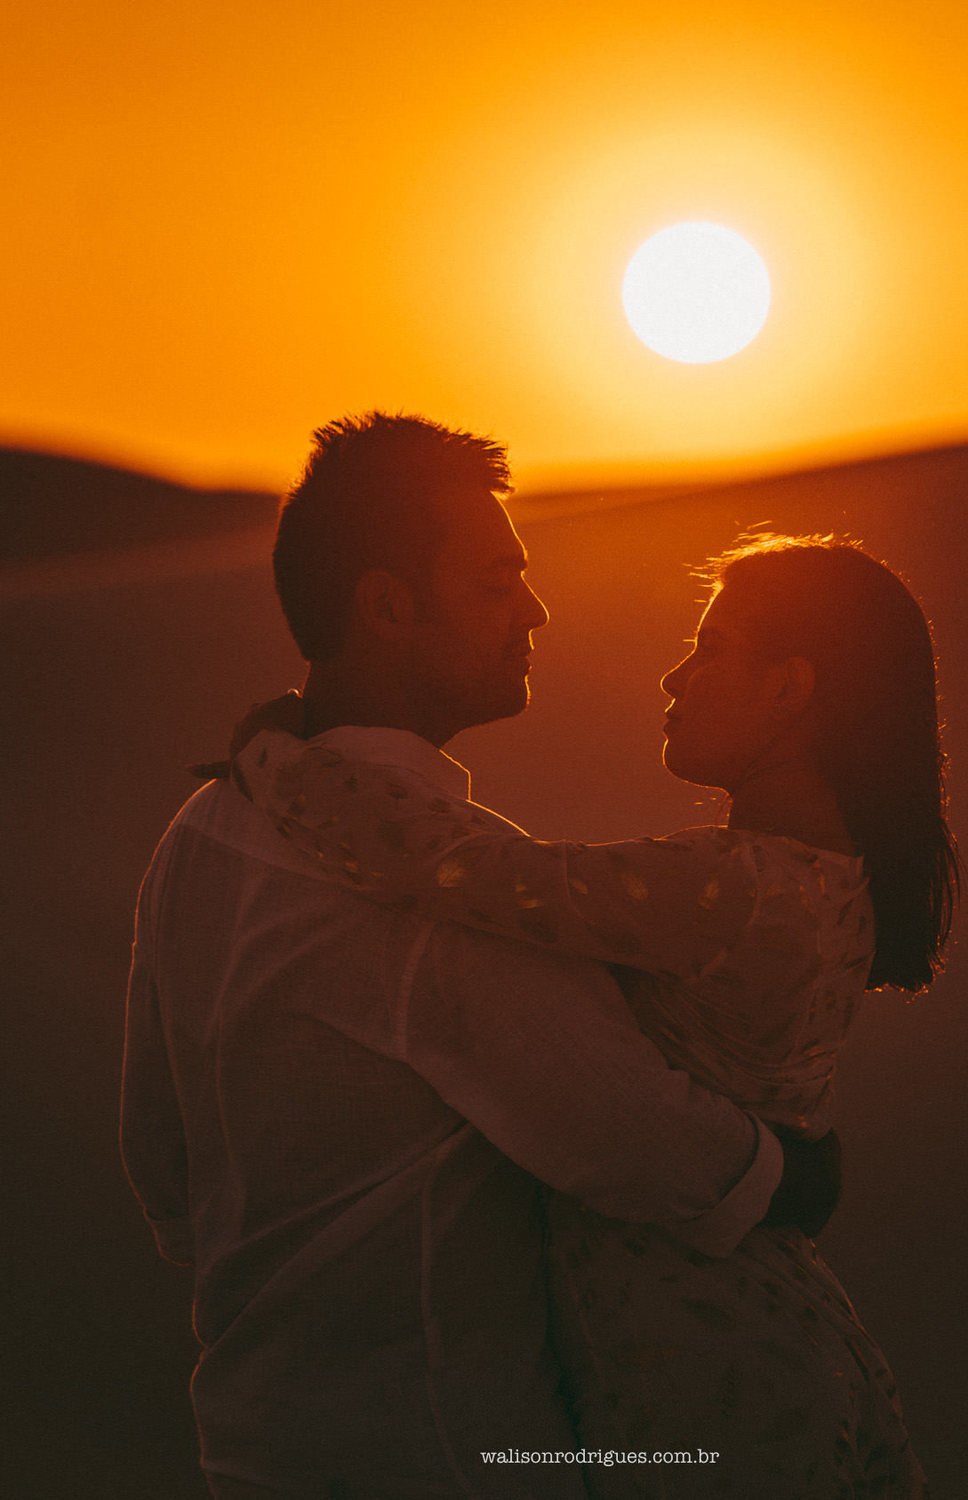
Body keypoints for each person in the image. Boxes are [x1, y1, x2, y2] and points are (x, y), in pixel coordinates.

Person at [120, 411, 841, 1500]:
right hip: (448, 1455)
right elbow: (635, 1141)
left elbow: (164, 1174)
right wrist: (795, 1173)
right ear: (388, 608)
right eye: (497, 583)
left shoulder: (198, 836)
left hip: (250, 1453)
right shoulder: (447, 893)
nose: (534, 611)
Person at [230, 521, 959, 1496]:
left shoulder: (733, 889)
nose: (674, 678)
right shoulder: (830, 885)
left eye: (710, 649)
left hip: (699, 1362)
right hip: (792, 1336)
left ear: (791, 689)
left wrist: (272, 758)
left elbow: (460, 868)